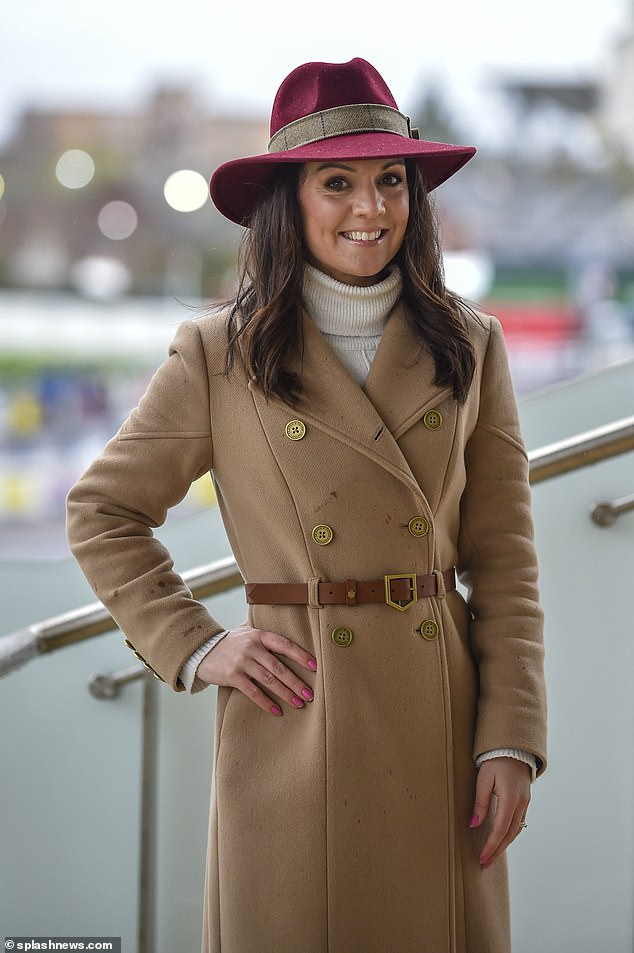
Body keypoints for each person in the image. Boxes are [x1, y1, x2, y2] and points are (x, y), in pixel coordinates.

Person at [66, 58, 547, 953]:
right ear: (291, 199)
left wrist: (511, 737)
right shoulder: (218, 353)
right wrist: (198, 643)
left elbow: (508, 560)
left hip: (439, 724)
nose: (371, 209)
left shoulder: (472, 345)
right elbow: (102, 511)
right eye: (339, 183)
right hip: (296, 717)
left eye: (390, 181)